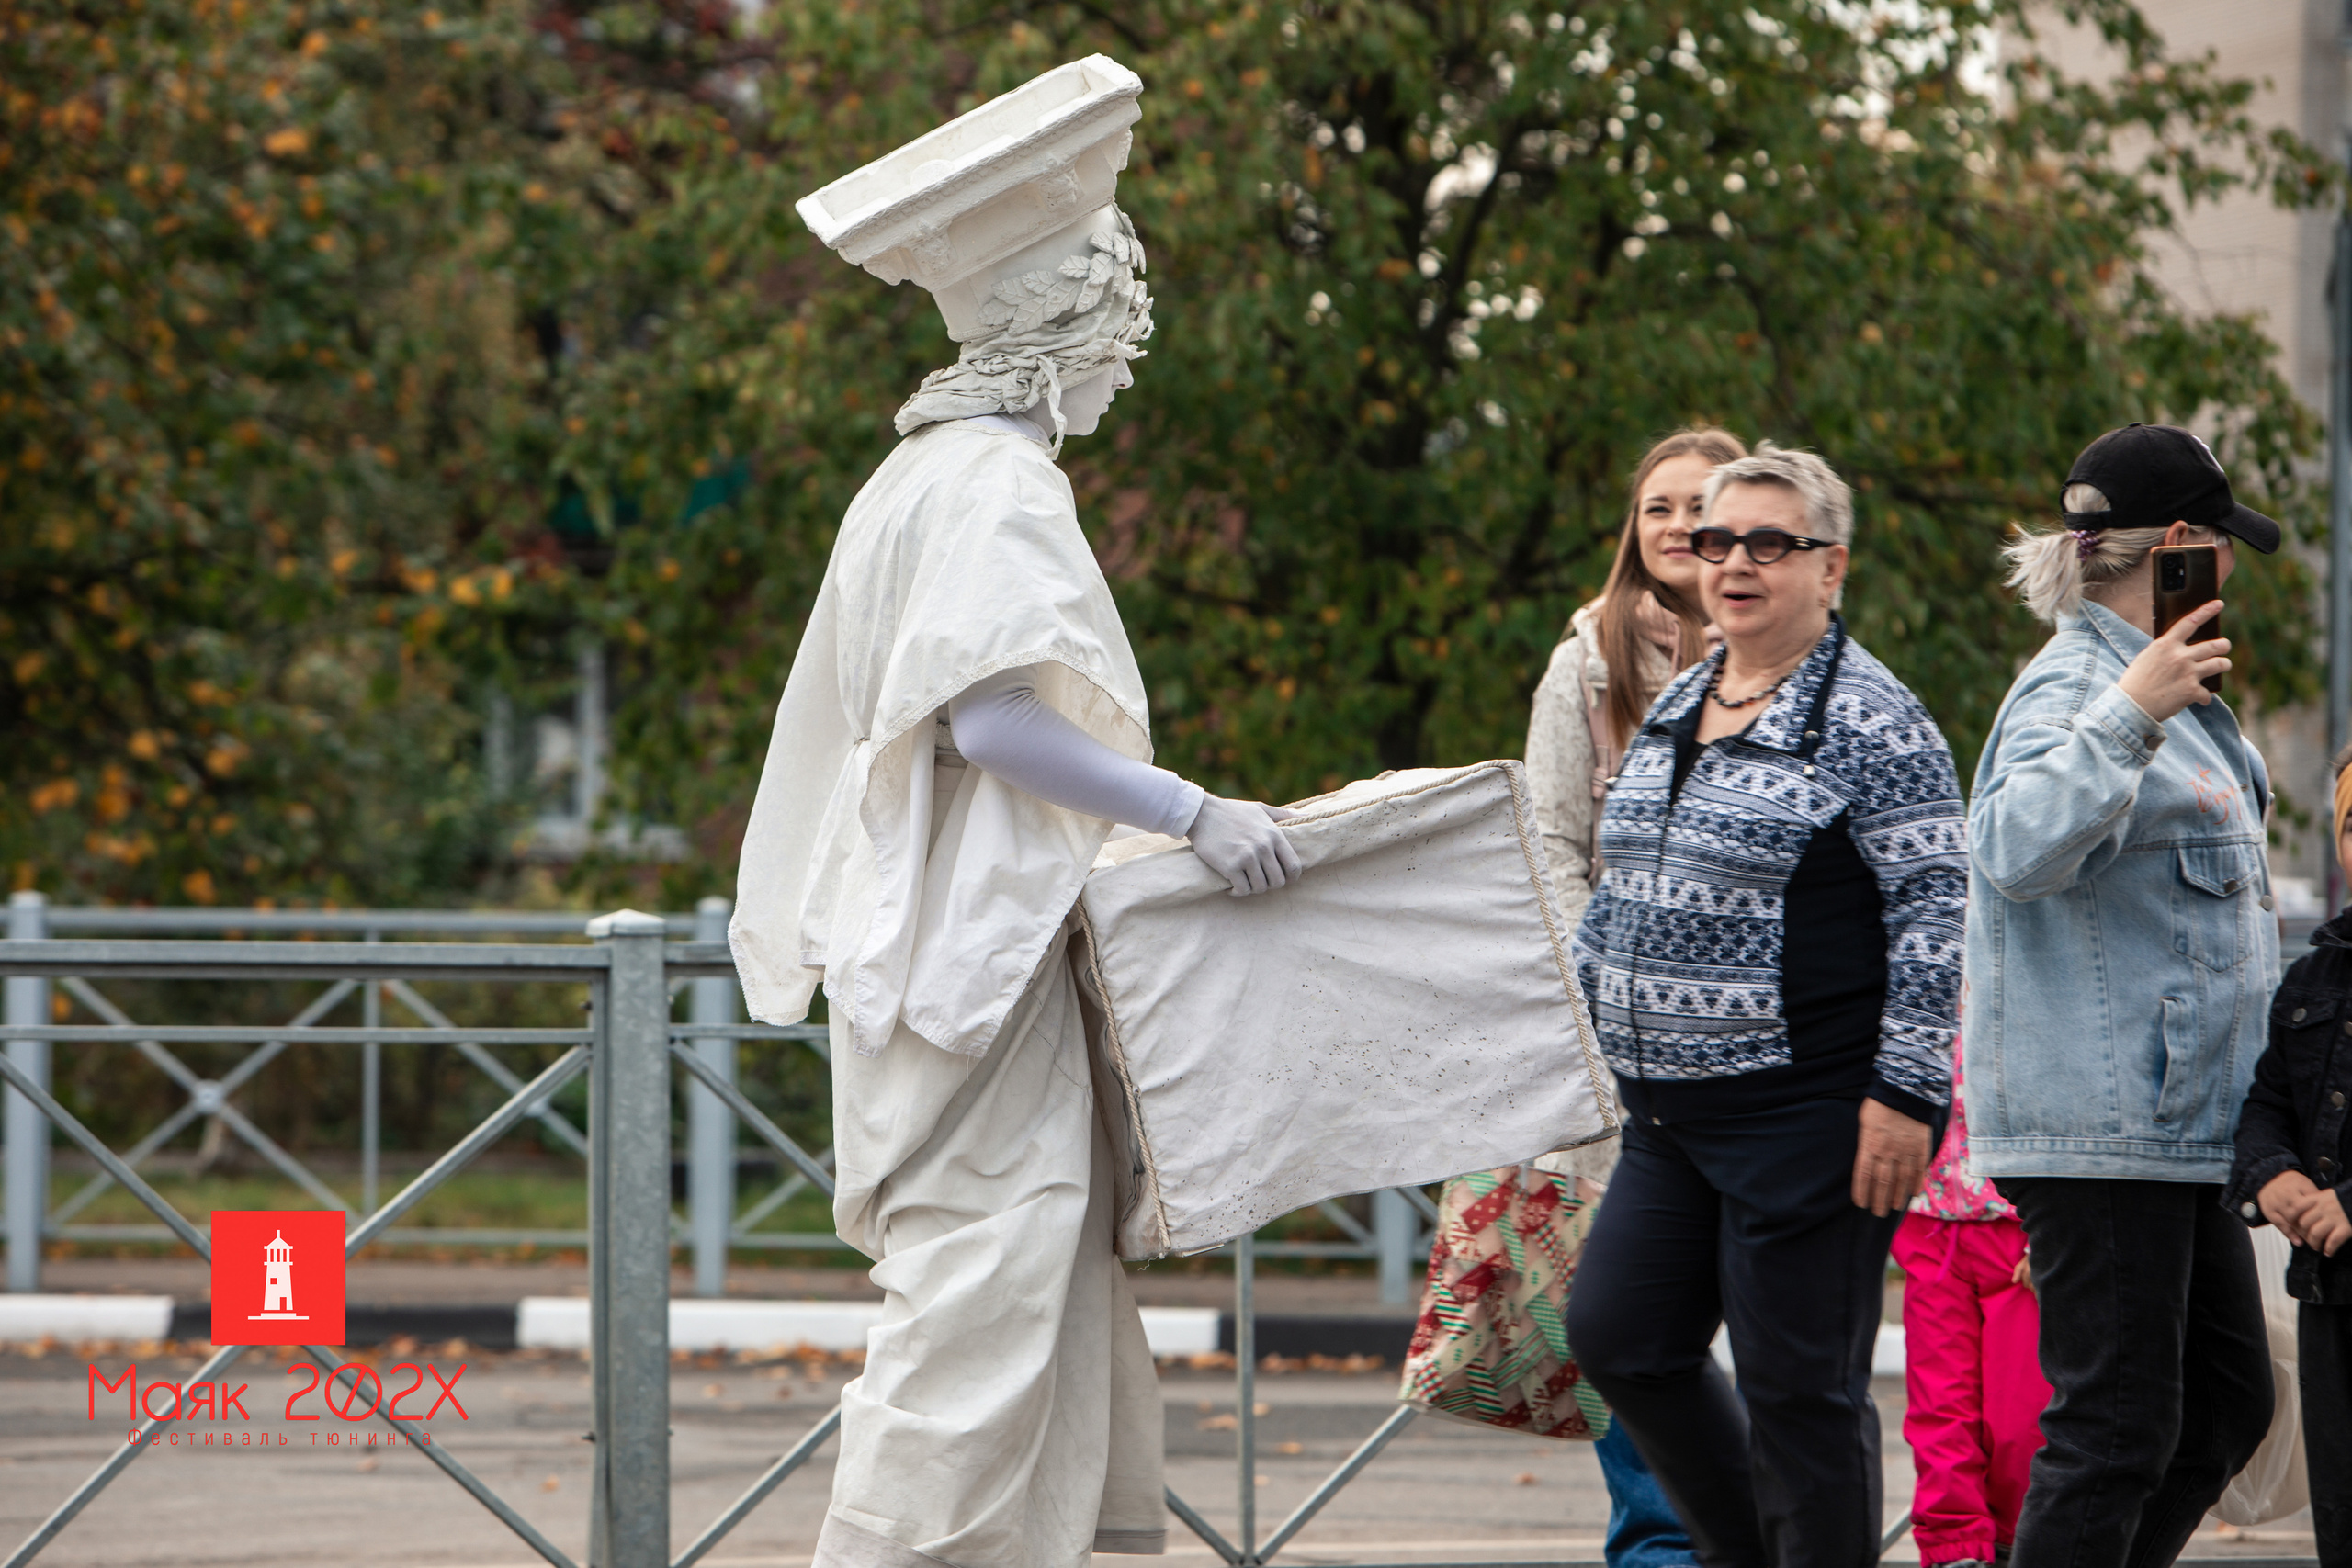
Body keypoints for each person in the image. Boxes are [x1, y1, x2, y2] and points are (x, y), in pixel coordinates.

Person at [731, 69, 1303, 1568]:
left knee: (1019, 1274)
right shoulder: (992, 482)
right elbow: (990, 719)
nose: (1129, 369)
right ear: (1063, 337)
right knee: (983, 1286)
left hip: (952, 954)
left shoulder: (918, 476)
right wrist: (1195, 812)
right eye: (1123, 338)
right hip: (966, 966)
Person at [1565, 444, 1968, 1566]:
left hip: (1811, 1117)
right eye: (1715, 540)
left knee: (1800, 1394)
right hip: (1667, 1115)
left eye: (1768, 543)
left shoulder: (1875, 722)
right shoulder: (1689, 694)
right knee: (1619, 1336)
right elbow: (1623, 877)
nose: (1735, 562)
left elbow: (1938, 906)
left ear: (1829, 567)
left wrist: (1904, 1094)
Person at [1964, 422, 2279, 1567]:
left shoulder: (2169, 684)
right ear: (2183, 543)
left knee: (2218, 1410)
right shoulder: (2082, 683)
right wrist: (2129, 713)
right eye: (2223, 542)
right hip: (2103, 1132)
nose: (2233, 567)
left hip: (2176, 1130)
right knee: (2115, 1428)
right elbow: (2005, 844)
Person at [1523, 427, 1747, 1566]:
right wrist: (1602, 990)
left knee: (1752, 1308)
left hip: (1762, 1045)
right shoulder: (1589, 662)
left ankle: (1749, 1532)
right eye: (1657, 506)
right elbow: (1554, 845)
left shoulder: (1790, 662)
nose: (1676, 526)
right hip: (1626, 1046)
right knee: (1632, 1317)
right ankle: (1660, 1547)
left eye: (1700, 506)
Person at [2227, 745, 2352, 1565]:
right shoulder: (2312, 978)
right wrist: (2271, 1175)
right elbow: (2264, 1101)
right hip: (2332, 1295)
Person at [1894, 1051, 2052, 1568]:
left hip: (2020, 1223)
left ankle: (2022, 1542)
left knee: (2023, 1415)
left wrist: (2052, 1227)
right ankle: (1952, 1549)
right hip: (1928, 1216)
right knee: (1940, 1403)